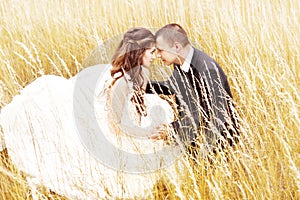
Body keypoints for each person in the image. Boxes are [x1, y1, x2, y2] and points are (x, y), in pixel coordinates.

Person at [0, 27, 181, 199]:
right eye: (151, 52)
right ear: (138, 52)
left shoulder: (142, 74)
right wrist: (145, 133)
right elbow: (116, 126)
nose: (155, 56)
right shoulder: (121, 83)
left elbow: (137, 103)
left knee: (161, 112)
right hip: (116, 127)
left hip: (126, 118)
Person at [146, 23, 240, 155]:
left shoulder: (207, 69)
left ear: (177, 47)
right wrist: (141, 85)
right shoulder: (181, 62)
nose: (157, 56)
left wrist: (172, 129)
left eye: (160, 50)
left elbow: (207, 113)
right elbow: (171, 87)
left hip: (218, 142)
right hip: (197, 136)